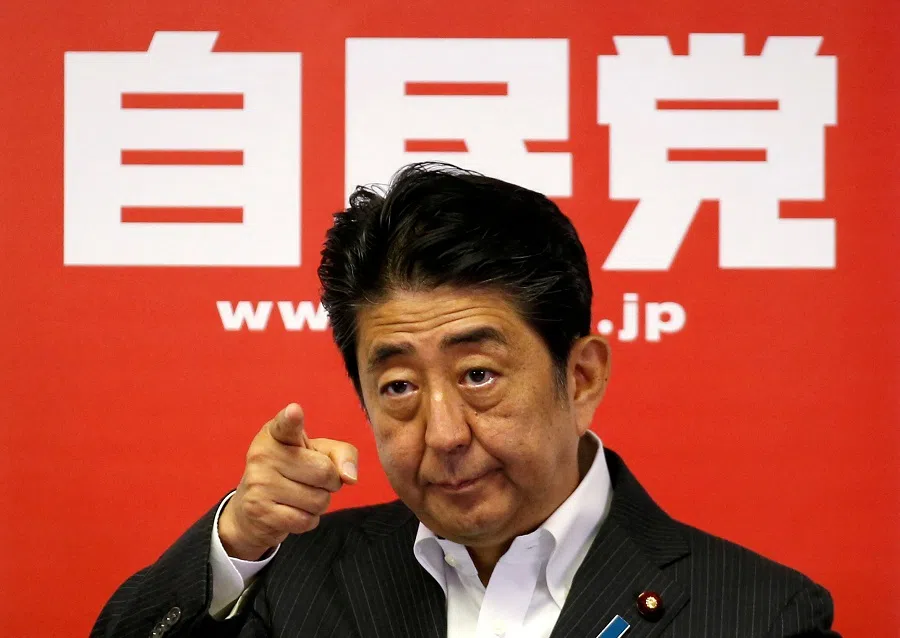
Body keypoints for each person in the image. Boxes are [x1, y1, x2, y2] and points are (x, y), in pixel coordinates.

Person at [92, 163, 839, 638]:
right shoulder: (296, 581)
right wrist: (243, 538)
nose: (443, 434)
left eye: (479, 374)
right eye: (399, 387)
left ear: (580, 377)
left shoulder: (760, 615)